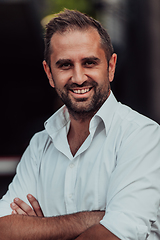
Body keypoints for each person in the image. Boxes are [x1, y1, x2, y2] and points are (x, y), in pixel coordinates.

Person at [0, 9, 160, 240]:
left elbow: (115, 234)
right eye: (65, 65)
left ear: (111, 66)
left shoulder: (143, 137)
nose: (78, 77)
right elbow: (4, 228)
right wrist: (92, 219)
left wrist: (40, 229)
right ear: (49, 72)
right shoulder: (40, 145)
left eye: (89, 62)